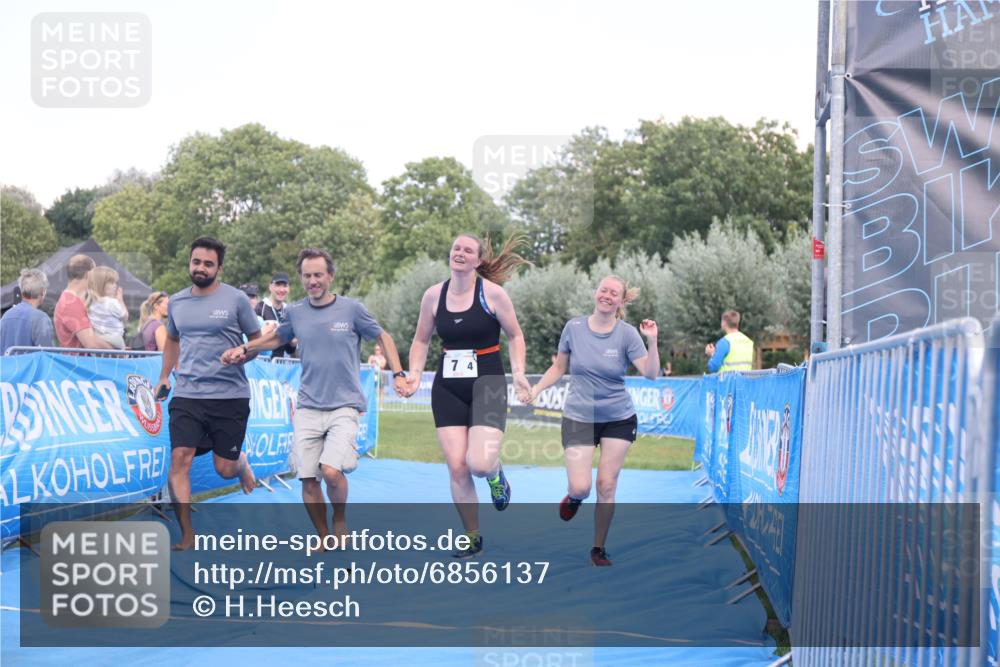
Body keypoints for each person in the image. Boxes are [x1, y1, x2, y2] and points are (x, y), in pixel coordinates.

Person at [222, 248, 408, 547]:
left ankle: (340, 518)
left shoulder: (352, 309)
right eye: (307, 276)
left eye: (318, 274)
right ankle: (324, 537)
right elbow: (277, 338)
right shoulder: (295, 312)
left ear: (330, 276)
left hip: (345, 405)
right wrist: (244, 349)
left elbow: (383, 336)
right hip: (308, 406)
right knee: (308, 479)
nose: (313, 281)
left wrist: (398, 374)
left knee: (331, 471)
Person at [401, 233, 532, 558]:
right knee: (458, 468)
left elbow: (515, 336)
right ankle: (473, 536)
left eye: (467, 250)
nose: (460, 253)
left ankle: (495, 472)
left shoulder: (492, 295)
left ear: (477, 260)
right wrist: (415, 374)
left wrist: (518, 374)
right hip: (448, 388)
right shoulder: (433, 296)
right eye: (456, 248)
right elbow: (420, 340)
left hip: (487, 385)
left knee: (479, 462)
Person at [527, 276, 660, 566]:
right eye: (604, 290)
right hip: (579, 416)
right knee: (581, 487)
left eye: (614, 293)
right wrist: (536, 389)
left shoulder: (627, 335)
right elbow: (559, 367)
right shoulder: (573, 327)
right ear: (595, 293)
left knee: (607, 484)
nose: (607, 295)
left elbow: (651, 373)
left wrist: (652, 341)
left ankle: (598, 548)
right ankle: (574, 498)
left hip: (618, 418)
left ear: (621, 302)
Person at [154, 237, 261, 551]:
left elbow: (256, 340)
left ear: (220, 268)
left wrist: (243, 352)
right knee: (179, 459)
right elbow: (172, 340)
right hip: (188, 394)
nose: (200, 268)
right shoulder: (177, 302)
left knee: (223, 468)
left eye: (208, 264)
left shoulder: (237, 299)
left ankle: (240, 462)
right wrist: (164, 375)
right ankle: (187, 533)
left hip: (230, 396)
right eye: (196, 262)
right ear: (190, 262)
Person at [53, 254, 113, 350]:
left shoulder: (71, 300)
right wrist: (118, 352)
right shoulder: (71, 303)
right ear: (88, 274)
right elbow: (91, 343)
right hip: (79, 363)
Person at [0, 268, 55, 354]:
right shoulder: (41, 319)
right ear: (43, 292)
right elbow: (49, 356)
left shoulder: (5, 316)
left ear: (21, 291)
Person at [86, 266, 129, 349]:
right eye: (112, 283)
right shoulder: (112, 302)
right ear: (101, 285)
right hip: (115, 339)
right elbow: (125, 316)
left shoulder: (91, 303)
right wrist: (120, 300)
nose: (115, 286)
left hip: (98, 338)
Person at [255, 272, 296, 357]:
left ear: (289, 288)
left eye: (285, 286)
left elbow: (289, 350)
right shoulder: (260, 308)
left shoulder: (289, 311)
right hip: (263, 365)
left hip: (282, 365)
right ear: (270, 287)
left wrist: (293, 343)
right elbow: (253, 341)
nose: (281, 290)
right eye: (278, 285)